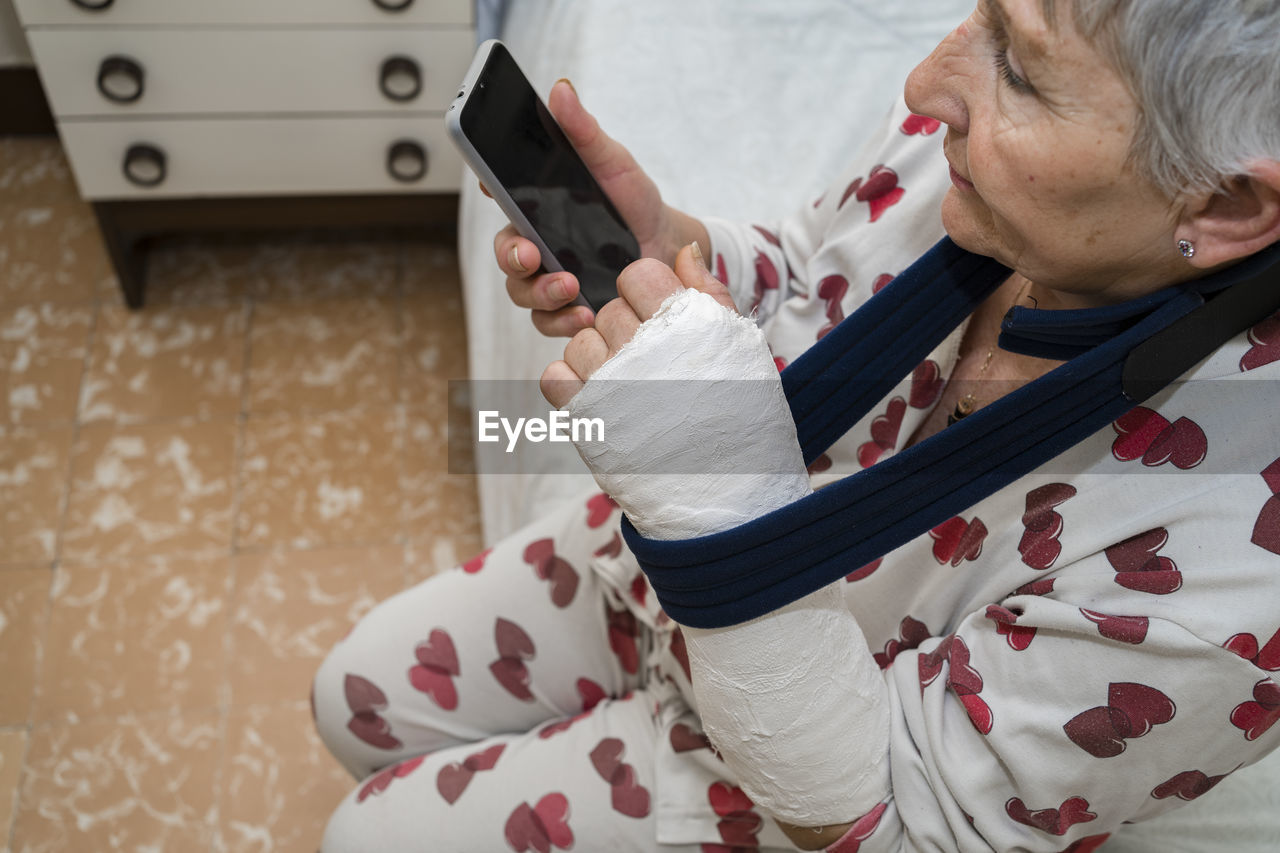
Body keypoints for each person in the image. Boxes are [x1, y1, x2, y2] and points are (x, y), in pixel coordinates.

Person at [313, 1, 1280, 850]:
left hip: (786, 765)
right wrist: (673, 252)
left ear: (1229, 202)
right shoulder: (972, 162)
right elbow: (814, 274)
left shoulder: (1234, 574)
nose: (925, 82)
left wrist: (709, 498)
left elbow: (896, 823)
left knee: (363, 835)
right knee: (350, 697)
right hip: (650, 576)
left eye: (1020, 71)